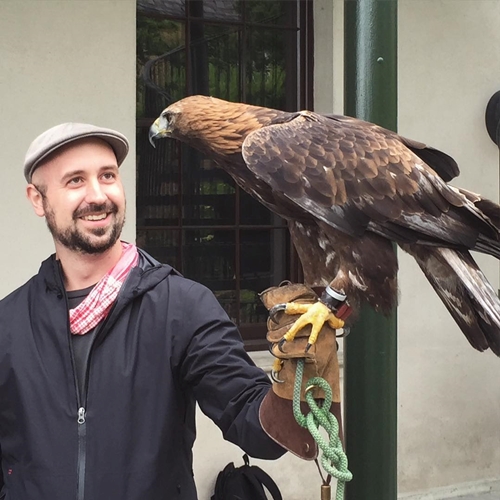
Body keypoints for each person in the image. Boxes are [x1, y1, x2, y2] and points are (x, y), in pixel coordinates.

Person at [0, 123, 287, 500]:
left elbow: (257, 426)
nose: (98, 195)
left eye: (107, 175)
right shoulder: (9, 324)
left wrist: (296, 387)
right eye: (75, 181)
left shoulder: (183, 307)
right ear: (37, 199)